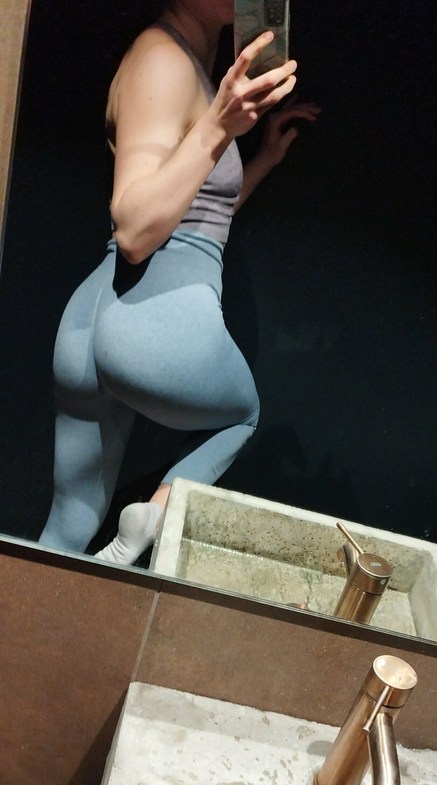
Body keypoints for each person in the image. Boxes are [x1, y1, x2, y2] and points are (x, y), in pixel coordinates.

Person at [38, 0, 320, 565]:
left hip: (92, 323)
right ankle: (152, 516)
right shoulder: (163, 61)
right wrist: (218, 125)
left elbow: (197, 218)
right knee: (242, 416)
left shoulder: (185, 61)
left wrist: (260, 159)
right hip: (156, 320)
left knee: (69, 524)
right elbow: (135, 229)